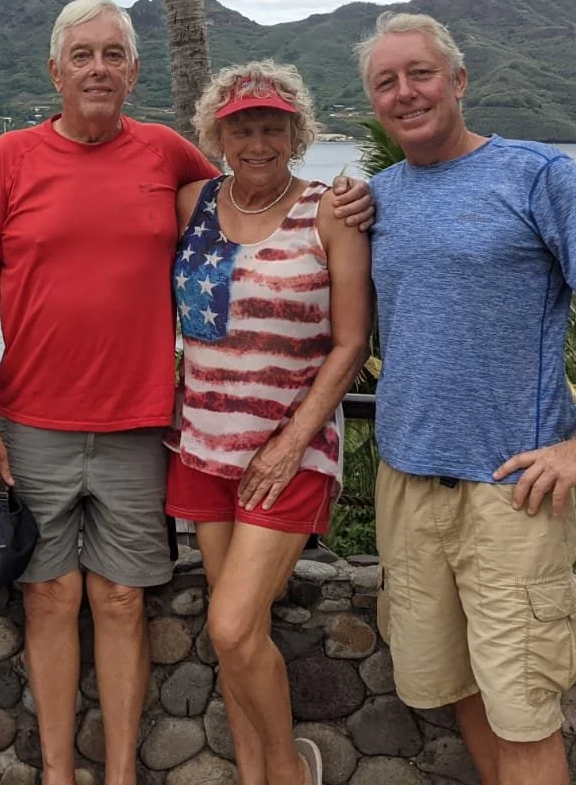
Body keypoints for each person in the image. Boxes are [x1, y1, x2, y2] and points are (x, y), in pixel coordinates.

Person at [0, 0, 374, 785]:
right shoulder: (13, 157)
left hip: (145, 426)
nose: (98, 68)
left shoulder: (167, 157)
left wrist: (356, 197)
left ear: (134, 70)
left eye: (113, 54)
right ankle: (55, 771)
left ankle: (122, 775)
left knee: (124, 603)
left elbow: (268, 206)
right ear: (55, 70)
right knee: (49, 601)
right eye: (82, 55)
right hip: (43, 421)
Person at [359, 12, 576, 785]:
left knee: (525, 712)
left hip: (511, 494)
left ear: (459, 81)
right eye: (386, 82)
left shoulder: (536, 177)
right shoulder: (374, 201)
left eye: (421, 74)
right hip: (409, 483)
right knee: (458, 687)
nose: (406, 93)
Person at [168, 62, 371, 785]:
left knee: (229, 624)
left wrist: (291, 444)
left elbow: (351, 343)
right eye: (241, 126)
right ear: (217, 133)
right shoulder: (193, 199)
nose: (257, 140)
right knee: (237, 637)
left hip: (291, 452)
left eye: (271, 126)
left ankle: (288, 773)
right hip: (201, 446)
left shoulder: (330, 212)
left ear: (296, 131)